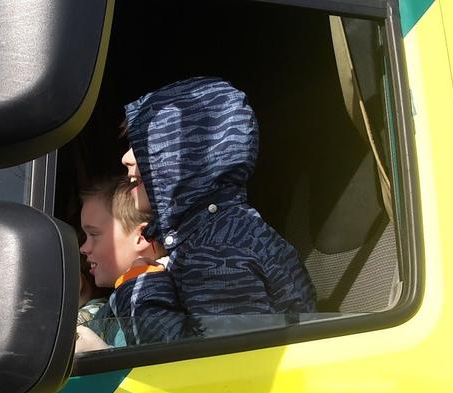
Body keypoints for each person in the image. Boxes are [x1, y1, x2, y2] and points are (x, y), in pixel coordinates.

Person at [120, 76, 317, 328]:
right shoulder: (223, 230)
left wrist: (141, 287)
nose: (126, 158)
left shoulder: (214, 254)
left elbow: (221, 359)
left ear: (187, 156)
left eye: (144, 147)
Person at [78, 177, 184, 347]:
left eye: (94, 235)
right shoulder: (119, 301)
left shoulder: (161, 299)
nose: (83, 248)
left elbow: (159, 363)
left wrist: (99, 354)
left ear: (141, 237)